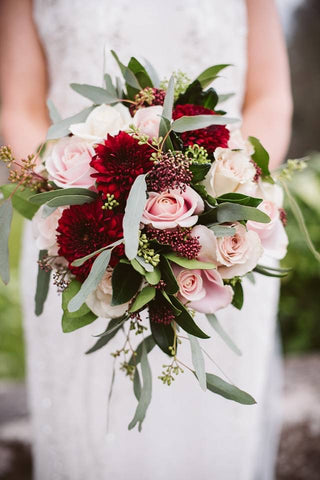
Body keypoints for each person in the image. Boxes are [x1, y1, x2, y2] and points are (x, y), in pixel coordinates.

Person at [0, 0, 292, 479]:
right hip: (81, 241)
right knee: (96, 435)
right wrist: (85, 208)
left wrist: (230, 194)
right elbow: (20, 108)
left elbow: (270, 98)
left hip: (227, 236)